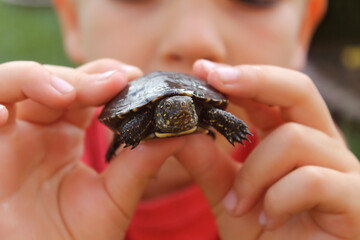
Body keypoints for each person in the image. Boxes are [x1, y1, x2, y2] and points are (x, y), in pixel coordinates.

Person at [0, 0, 359, 239]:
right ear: (73, 18)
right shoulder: (22, 181)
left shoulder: (309, 198)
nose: (193, 39)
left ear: (303, 32)